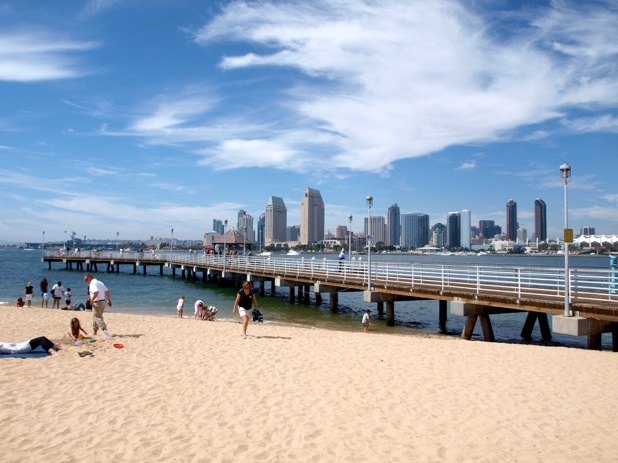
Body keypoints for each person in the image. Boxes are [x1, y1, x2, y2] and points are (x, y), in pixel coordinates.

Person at [83, 273, 112, 339]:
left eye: (86, 279)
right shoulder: (100, 282)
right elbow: (107, 291)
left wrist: (92, 300)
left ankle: (105, 330)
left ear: (89, 277)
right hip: (103, 302)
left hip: (97, 302)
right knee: (95, 316)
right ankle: (95, 331)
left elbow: (96, 292)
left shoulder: (92, 284)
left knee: (97, 317)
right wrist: (109, 300)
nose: (85, 281)